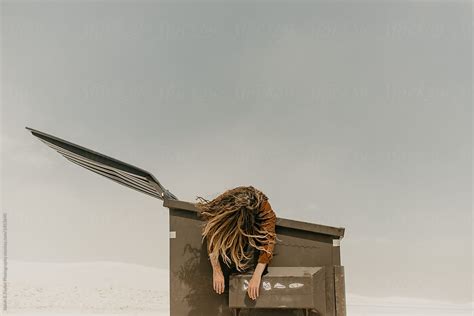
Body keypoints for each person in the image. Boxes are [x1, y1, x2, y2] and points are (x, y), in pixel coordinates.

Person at [195, 185, 278, 301]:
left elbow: (268, 242)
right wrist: (217, 270)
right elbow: (212, 234)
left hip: (250, 238)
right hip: (230, 233)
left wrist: (257, 276)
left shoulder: (263, 207)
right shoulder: (225, 202)